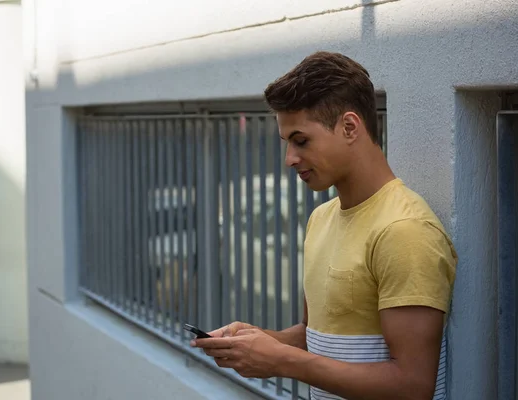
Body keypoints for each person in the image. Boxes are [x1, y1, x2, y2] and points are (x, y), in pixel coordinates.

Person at [190, 51, 457, 400]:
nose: (289, 159)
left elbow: (412, 386)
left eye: (301, 141)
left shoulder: (404, 230)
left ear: (349, 127)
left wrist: (284, 361)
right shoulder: (321, 218)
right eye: (287, 143)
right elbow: (314, 335)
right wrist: (261, 342)